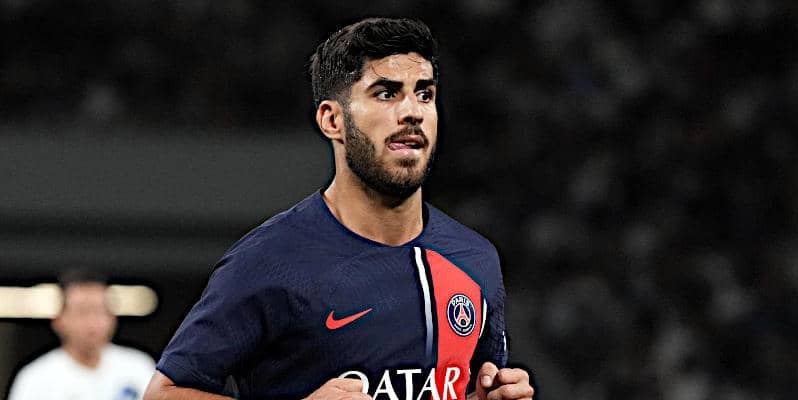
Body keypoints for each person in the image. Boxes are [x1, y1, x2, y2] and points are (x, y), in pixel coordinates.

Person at [144, 17, 534, 400]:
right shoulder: (268, 260)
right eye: (386, 93)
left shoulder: (474, 259)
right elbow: (163, 394)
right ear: (332, 120)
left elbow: (472, 385)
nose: (413, 111)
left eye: (424, 94)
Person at [8, 269, 155, 400]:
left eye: (99, 311)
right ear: (59, 320)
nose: (92, 323)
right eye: (82, 312)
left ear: (112, 318)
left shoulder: (140, 367)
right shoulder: (35, 379)